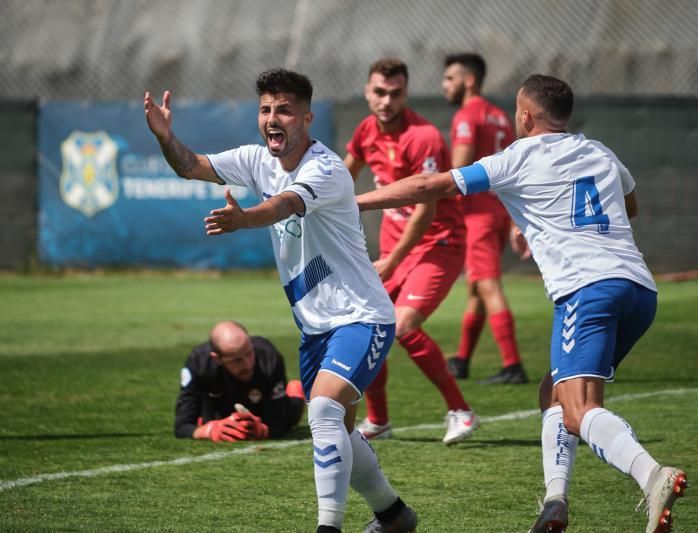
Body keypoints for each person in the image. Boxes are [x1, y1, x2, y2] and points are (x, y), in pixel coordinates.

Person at [355, 74, 687, 533]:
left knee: (579, 409)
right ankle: (555, 502)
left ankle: (654, 476)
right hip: (639, 290)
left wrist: (354, 202)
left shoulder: (516, 157)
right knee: (553, 390)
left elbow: (427, 187)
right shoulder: (600, 151)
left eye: (517, 111)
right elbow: (628, 206)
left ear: (525, 116)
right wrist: (538, 219)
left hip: (586, 290)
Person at [145, 69, 417, 533]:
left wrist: (243, 218)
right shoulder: (257, 159)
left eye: (284, 110)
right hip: (314, 330)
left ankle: (327, 527)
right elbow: (191, 165)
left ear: (307, 119)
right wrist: (166, 137)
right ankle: (393, 515)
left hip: (361, 317)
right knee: (340, 430)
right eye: (266, 109)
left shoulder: (326, 169)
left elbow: (284, 205)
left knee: (326, 410)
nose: (273, 118)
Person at [343, 58, 478, 445]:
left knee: (402, 326)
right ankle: (379, 420)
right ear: (368, 92)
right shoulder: (366, 129)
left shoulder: (424, 137)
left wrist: (392, 260)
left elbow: (426, 207)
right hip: (395, 248)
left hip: (439, 244)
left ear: (406, 94)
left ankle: (462, 411)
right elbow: (342, 174)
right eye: (379, 92)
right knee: (371, 328)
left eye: (395, 93)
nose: (386, 101)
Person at [441, 52, 528, 385]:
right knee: (477, 287)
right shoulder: (500, 117)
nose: (444, 85)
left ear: (469, 80)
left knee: (488, 284)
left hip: (476, 213)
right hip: (498, 210)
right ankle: (462, 359)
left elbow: (459, 170)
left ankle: (512, 364)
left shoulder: (467, 115)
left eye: (450, 79)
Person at [174, 320, 305, 442]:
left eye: (249, 353)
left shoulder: (269, 357)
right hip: (219, 410)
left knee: (291, 417)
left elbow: (278, 423)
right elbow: (182, 425)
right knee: (203, 419)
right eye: (236, 360)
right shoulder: (199, 362)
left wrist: (262, 430)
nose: (247, 365)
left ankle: (294, 393)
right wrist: (209, 430)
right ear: (217, 359)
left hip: (262, 407)